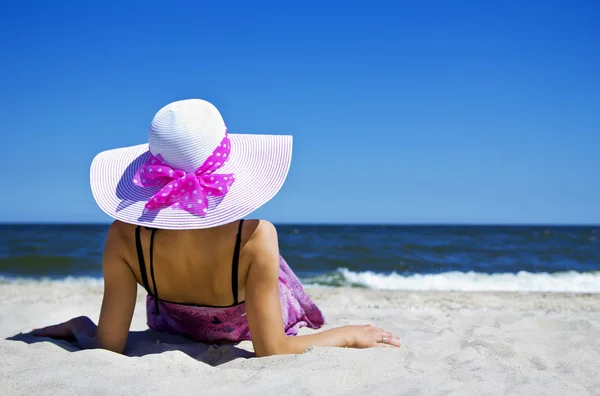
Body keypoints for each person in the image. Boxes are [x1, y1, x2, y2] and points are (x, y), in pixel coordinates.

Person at [32, 99, 400, 357]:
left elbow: (109, 345)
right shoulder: (256, 236)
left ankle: (81, 324)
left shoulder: (124, 236)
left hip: (177, 329)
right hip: (254, 319)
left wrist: (83, 332)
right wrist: (346, 334)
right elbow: (271, 349)